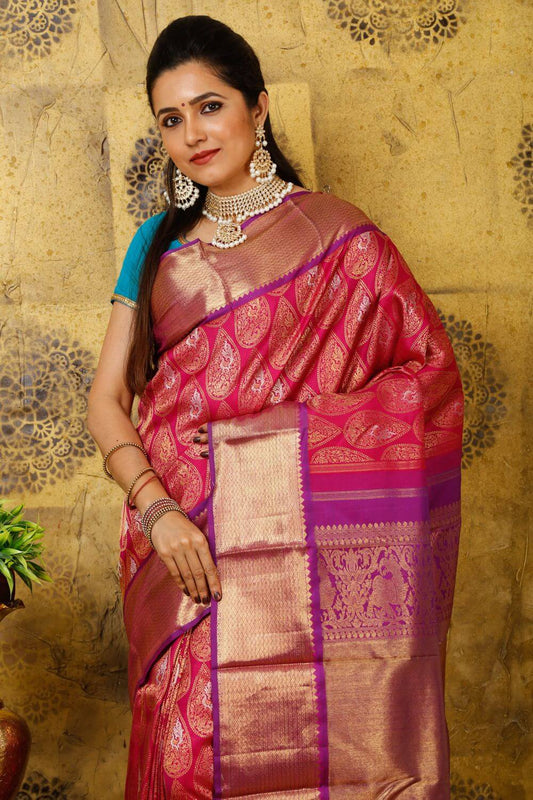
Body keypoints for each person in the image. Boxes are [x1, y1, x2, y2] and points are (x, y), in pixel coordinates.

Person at [88, 14, 464, 799]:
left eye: (209, 106)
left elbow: (427, 383)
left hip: (300, 549)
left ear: (257, 107)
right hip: (183, 549)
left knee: (319, 753)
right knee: (189, 758)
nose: (192, 133)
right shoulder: (156, 243)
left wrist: (262, 448)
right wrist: (158, 509)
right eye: (170, 118)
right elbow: (108, 402)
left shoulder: (339, 238)